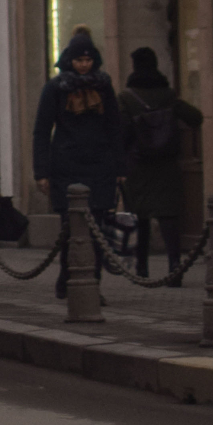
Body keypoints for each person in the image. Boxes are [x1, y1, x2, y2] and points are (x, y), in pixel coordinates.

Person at [32, 28, 127, 299]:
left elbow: (114, 127)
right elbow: (42, 130)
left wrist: (120, 168)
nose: (84, 65)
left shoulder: (103, 85)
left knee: (97, 230)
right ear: (69, 60)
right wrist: (42, 172)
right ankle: (68, 278)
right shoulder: (55, 88)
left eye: (88, 60)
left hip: (100, 166)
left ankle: (91, 285)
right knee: (71, 230)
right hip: (66, 167)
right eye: (79, 60)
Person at [120, 47, 204, 284]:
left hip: (138, 165)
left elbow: (122, 133)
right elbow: (195, 117)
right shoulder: (168, 95)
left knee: (142, 216)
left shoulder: (126, 98)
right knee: (168, 216)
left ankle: (142, 267)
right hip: (167, 164)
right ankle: (175, 266)